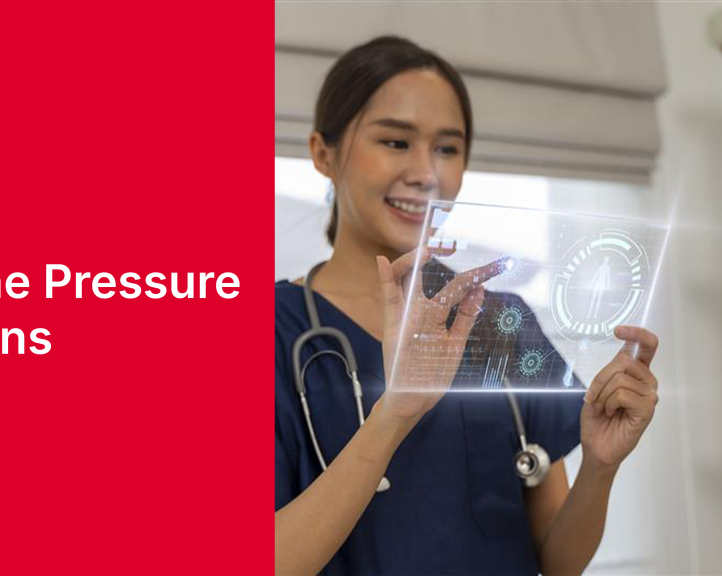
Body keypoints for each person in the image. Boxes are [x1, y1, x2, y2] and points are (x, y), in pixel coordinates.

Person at [274, 36, 661, 576]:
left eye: (448, 148)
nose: (426, 171)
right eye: (394, 141)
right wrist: (394, 415)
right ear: (323, 153)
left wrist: (600, 466)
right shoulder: (273, 331)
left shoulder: (503, 322)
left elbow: (555, 561)